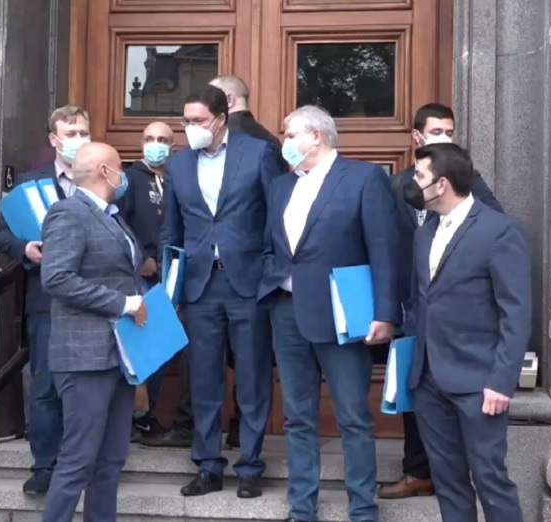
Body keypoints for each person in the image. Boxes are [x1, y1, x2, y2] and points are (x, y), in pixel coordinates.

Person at [257, 105, 399, 522]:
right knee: (297, 417)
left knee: (353, 416)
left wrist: (385, 312)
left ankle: (363, 509)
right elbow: (271, 245)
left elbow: (383, 248)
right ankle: (302, 508)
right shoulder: (281, 186)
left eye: (289, 135)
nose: (283, 143)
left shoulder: (363, 178)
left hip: (343, 314)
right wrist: (270, 281)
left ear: (315, 136)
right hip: (287, 312)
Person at [160, 85, 285, 498]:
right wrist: (170, 288)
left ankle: (249, 465)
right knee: (203, 379)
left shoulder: (259, 153)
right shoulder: (179, 164)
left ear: (220, 119)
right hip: (199, 285)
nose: (190, 127)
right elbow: (171, 231)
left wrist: (270, 272)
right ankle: (208, 465)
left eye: (198, 120)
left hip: (247, 282)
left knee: (252, 377)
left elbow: (277, 216)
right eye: (186, 121)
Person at [380, 102, 504, 499]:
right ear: (417, 136)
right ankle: (417, 470)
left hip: (456, 312)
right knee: (415, 387)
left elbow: (493, 224)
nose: (444, 137)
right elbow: (383, 242)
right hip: (412, 304)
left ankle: (457, 470)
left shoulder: (469, 184)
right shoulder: (397, 185)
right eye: (436, 131)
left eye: (449, 131)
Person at [405, 143, 530, 522]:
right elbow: (420, 302)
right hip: (428, 380)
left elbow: (516, 312)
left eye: (419, 175)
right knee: (448, 480)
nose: (413, 182)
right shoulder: (424, 233)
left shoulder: (499, 230)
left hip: (479, 382)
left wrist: (502, 381)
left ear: (441, 184)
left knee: (490, 478)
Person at [39, 142, 146, 522]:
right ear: (104, 171)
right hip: (84, 357)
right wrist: (122, 304)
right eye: (120, 167)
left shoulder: (112, 215)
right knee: (78, 460)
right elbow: (57, 278)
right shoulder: (69, 213)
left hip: (119, 354)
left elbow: (122, 273)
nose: (124, 175)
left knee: (111, 460)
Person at [0, 104, 91, 495]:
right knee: (46, 386)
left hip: (94, 301)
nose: (78, 140)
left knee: (88, 386)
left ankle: (84, 462)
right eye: (71, 133)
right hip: (47, 300)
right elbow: (1, 235)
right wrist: (25, 249)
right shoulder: (30, 184)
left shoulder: (103, 178)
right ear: (54, 139)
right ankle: (45, 466)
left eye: (83, 133)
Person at [207, 74, 284, 449]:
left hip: (235, 270)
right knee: (246, 358)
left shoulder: (250, 144)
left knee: (232, 359)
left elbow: (273, 208)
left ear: (226, 100)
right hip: (249, 270)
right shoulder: (269, 141)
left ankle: (222, 433)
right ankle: (239, 429)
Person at [118, 121, 193, 448]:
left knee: (163, 347)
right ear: (140, 142)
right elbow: (116, 222)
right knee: (140, 345)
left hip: (173, 275)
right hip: (141, 276)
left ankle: (149, 416)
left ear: (173, 145)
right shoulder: (128, 180)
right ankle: (133, 417)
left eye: (162, 139)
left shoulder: (178, 178)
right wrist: (140, 258)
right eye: (149, 138)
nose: (156, 144)